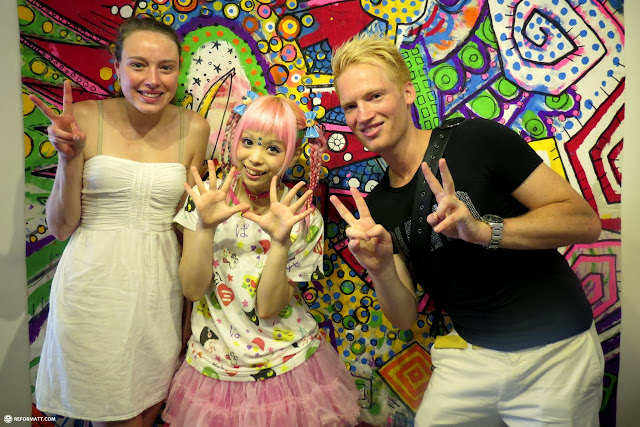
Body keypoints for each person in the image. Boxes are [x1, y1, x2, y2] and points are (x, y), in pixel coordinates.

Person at [329, 34, 604, 426]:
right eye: (350, 106)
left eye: (375, 96)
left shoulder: (476, 141)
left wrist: (482, 230)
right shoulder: (376, 208)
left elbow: (583, 222)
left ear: (408, 92)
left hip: (554, 353)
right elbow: (404, 317)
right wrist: (380, 269)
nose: (363, 115)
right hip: (472, 358)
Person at [29, 17, 210, 426]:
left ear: (179, 71)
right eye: (138, 65)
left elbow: (187, 229)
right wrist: (68, 157)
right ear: (117, 65)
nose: (153, 79)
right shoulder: (83, 118)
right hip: (93, 290)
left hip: (158, 290)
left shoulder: (195, 128)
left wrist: (187, 316)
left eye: (166, 67)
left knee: (146, 413)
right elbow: (60, 227)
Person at [163, 93, 360, 427]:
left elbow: (269, 308)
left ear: (293, 153)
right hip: (214, 368)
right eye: (248, 142)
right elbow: (193, 290)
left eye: (272, 149)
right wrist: (205, 225)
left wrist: (281, 240)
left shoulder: (303, 218)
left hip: (287, 366)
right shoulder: (207, 198)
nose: (255, 158)